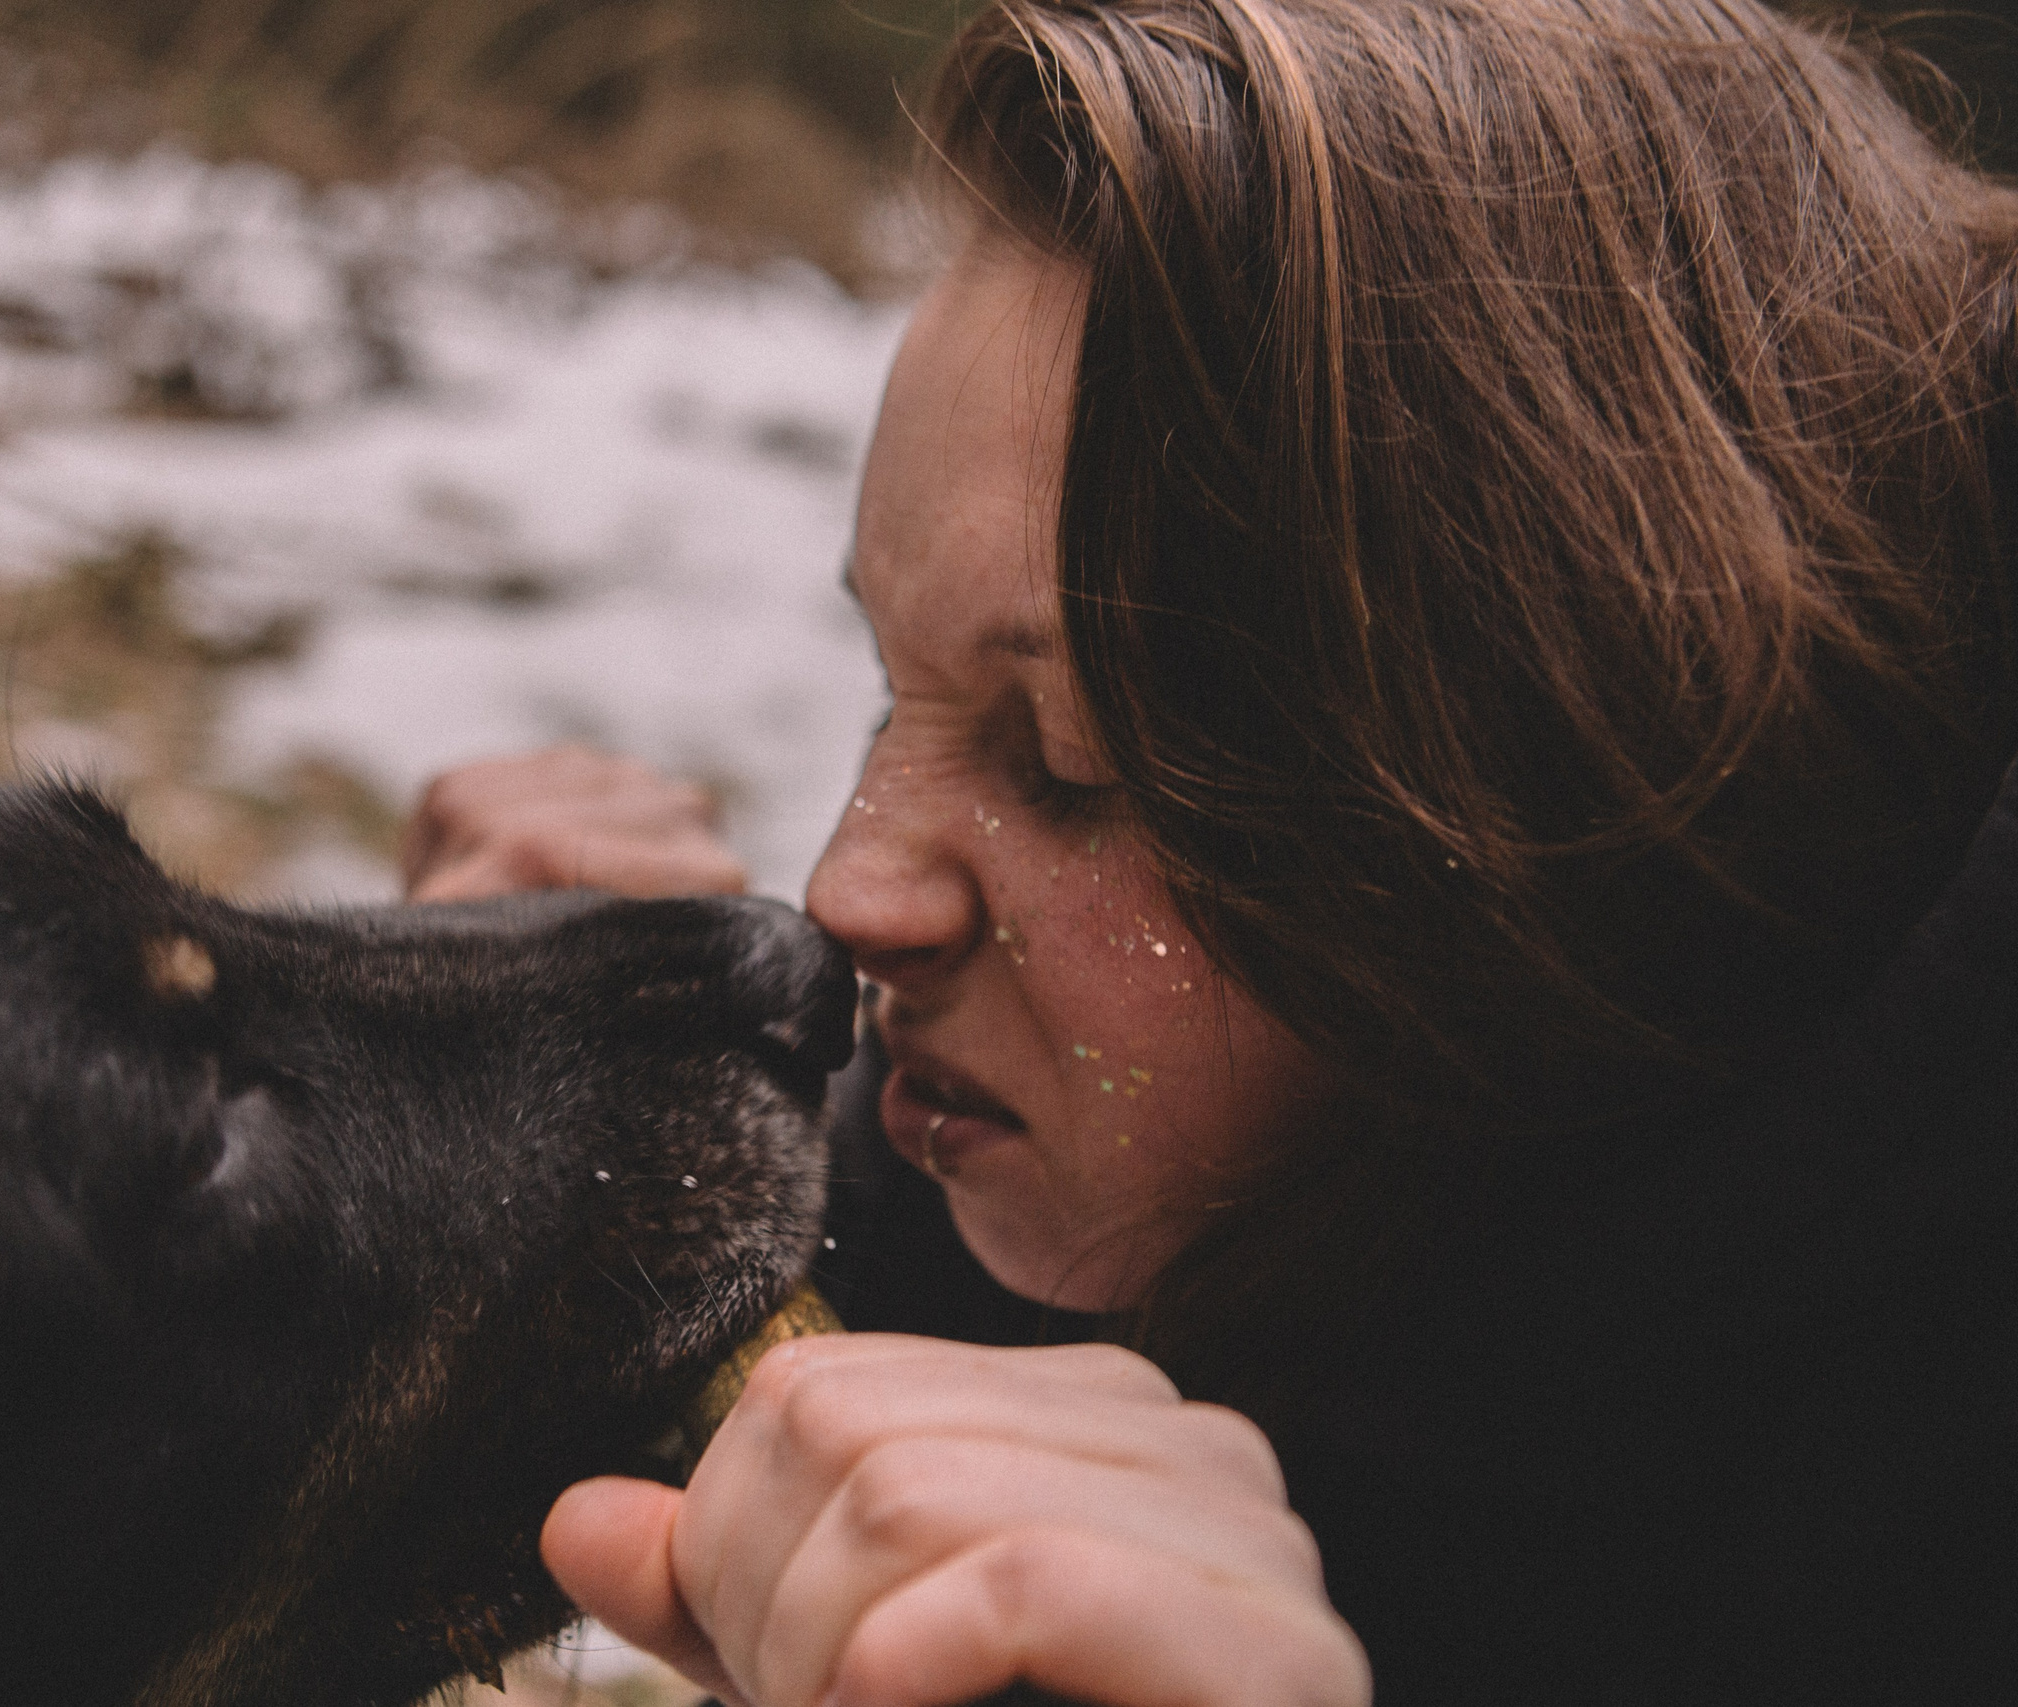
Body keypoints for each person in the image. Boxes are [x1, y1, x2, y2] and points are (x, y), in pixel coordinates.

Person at [402, 2, 2018, 1702]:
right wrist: (530, 1136)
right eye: (896, 692)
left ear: (1569, 823)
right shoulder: (1094, 1179)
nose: (847, 892)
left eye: (1069, 767)